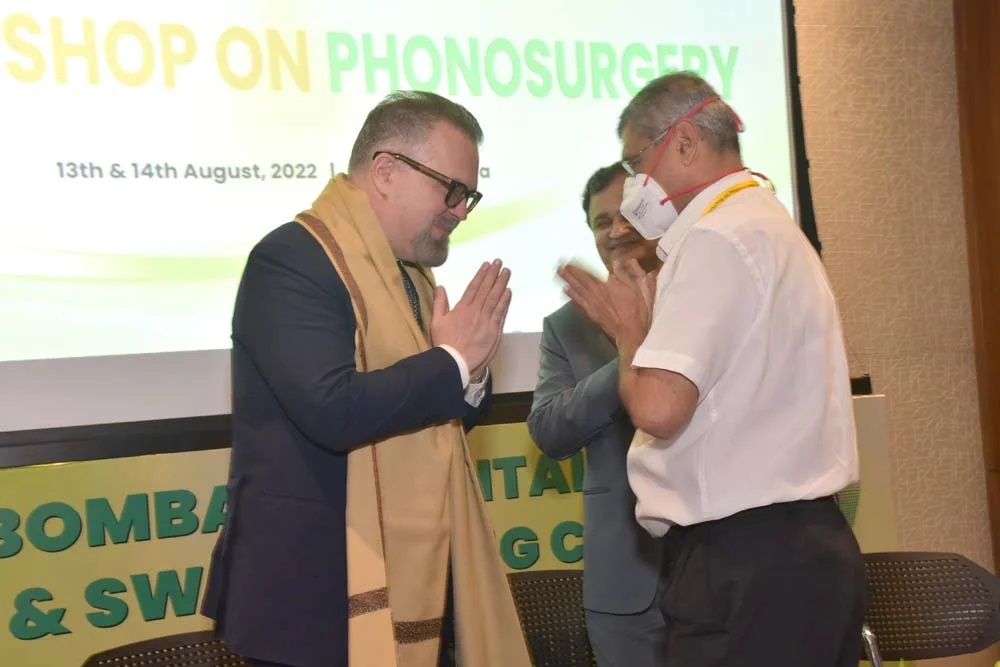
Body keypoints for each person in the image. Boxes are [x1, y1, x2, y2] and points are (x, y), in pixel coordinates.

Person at [201, 90, 532, 667]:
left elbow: (438, 412)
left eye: (469, 196)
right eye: (451, 189)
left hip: (414, 571)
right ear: (386, 172)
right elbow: (333, 410)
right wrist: (453, 362)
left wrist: (471, 373)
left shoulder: (412, 277)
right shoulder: (293, 259)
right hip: (313, 595)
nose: (460, 211)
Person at [558, 71, 867, 667]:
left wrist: (628, 331)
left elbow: (658, 408)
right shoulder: (766, 223)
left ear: (683, 142)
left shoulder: (715, 236)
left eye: (636, 164)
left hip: (746, 564)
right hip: (799, 554)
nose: (632, 190)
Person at [527, 163, 666, 667]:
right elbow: (548, 430)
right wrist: (629, 352)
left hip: (717, 567)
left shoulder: (697, 297)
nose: (616, 230)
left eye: (627, 215)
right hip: (623, 583)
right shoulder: (566, 325)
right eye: (601, 221)